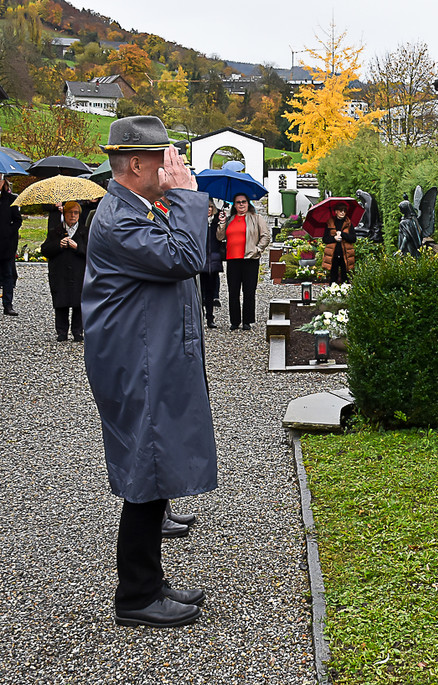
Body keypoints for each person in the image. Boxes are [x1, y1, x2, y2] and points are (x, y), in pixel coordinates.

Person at [82, 115, 216, 628]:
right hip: (137, 363)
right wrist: (185, 196)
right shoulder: (120, 219)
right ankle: (136, 596)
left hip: (147, 356)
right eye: (166, 159)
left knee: (155, 463)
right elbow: (185, 258)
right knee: (146, 467)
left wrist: (175, 200)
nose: (173, 166)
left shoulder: (133, 208)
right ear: (137, 164)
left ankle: (151, 582)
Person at [217, 193, 269, 331]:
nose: (241, 204)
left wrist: (258, 249)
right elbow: (220, 237)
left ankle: (247, 321)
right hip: (232, 260)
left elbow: (265, 236)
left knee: (249, 291)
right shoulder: (230, 219)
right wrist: (222, 223)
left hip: (250, 259)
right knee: (233, 291)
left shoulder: (256, 218)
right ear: (234, 205)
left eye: (244, 202)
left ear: (248, 203)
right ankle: (234, 321)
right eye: (238, 202)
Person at [40, 201, 90, 341]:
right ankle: (62, 332)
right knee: (61, 302)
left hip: (79, 272)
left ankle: (77, 331)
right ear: (64, 213)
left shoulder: (85, 231)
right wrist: (58, 245)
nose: (73, 216)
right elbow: (45, 250)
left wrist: (77, 247)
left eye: (76, 213)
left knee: (78, 303)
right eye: (70, 213)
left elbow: (91, 252)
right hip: (60, 273)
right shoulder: (55, 231)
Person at [200, 199, 225, 328]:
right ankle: (200, 317)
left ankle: (210, 317)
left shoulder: (216, 222)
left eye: (210, 207)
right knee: (200, 292)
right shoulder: (198, 222)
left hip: (213, 260)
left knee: (210, 291)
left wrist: (221, 223)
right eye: (206, 207)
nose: (208, 209)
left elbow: (221, 237)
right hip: (201, 259)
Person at [0, 174, 22, 316]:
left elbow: (18, 220)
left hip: (6, 244)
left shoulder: (11, 199)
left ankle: (8, 304)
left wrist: (8, 231)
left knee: (8, 275)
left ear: (3, 182)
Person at [321, 204, 355, 284]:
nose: (343, 213)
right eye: (341, 211)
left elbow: (353, 238)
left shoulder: (349, 223)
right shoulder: (330, 223)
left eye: (344, 211)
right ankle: (332, 290)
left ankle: (345, 290)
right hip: (333, 254)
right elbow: (325, 239)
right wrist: (334, 238)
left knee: (345, 277)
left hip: (345, 254)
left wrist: (343, 234)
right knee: (333, 276)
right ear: (336, 211)